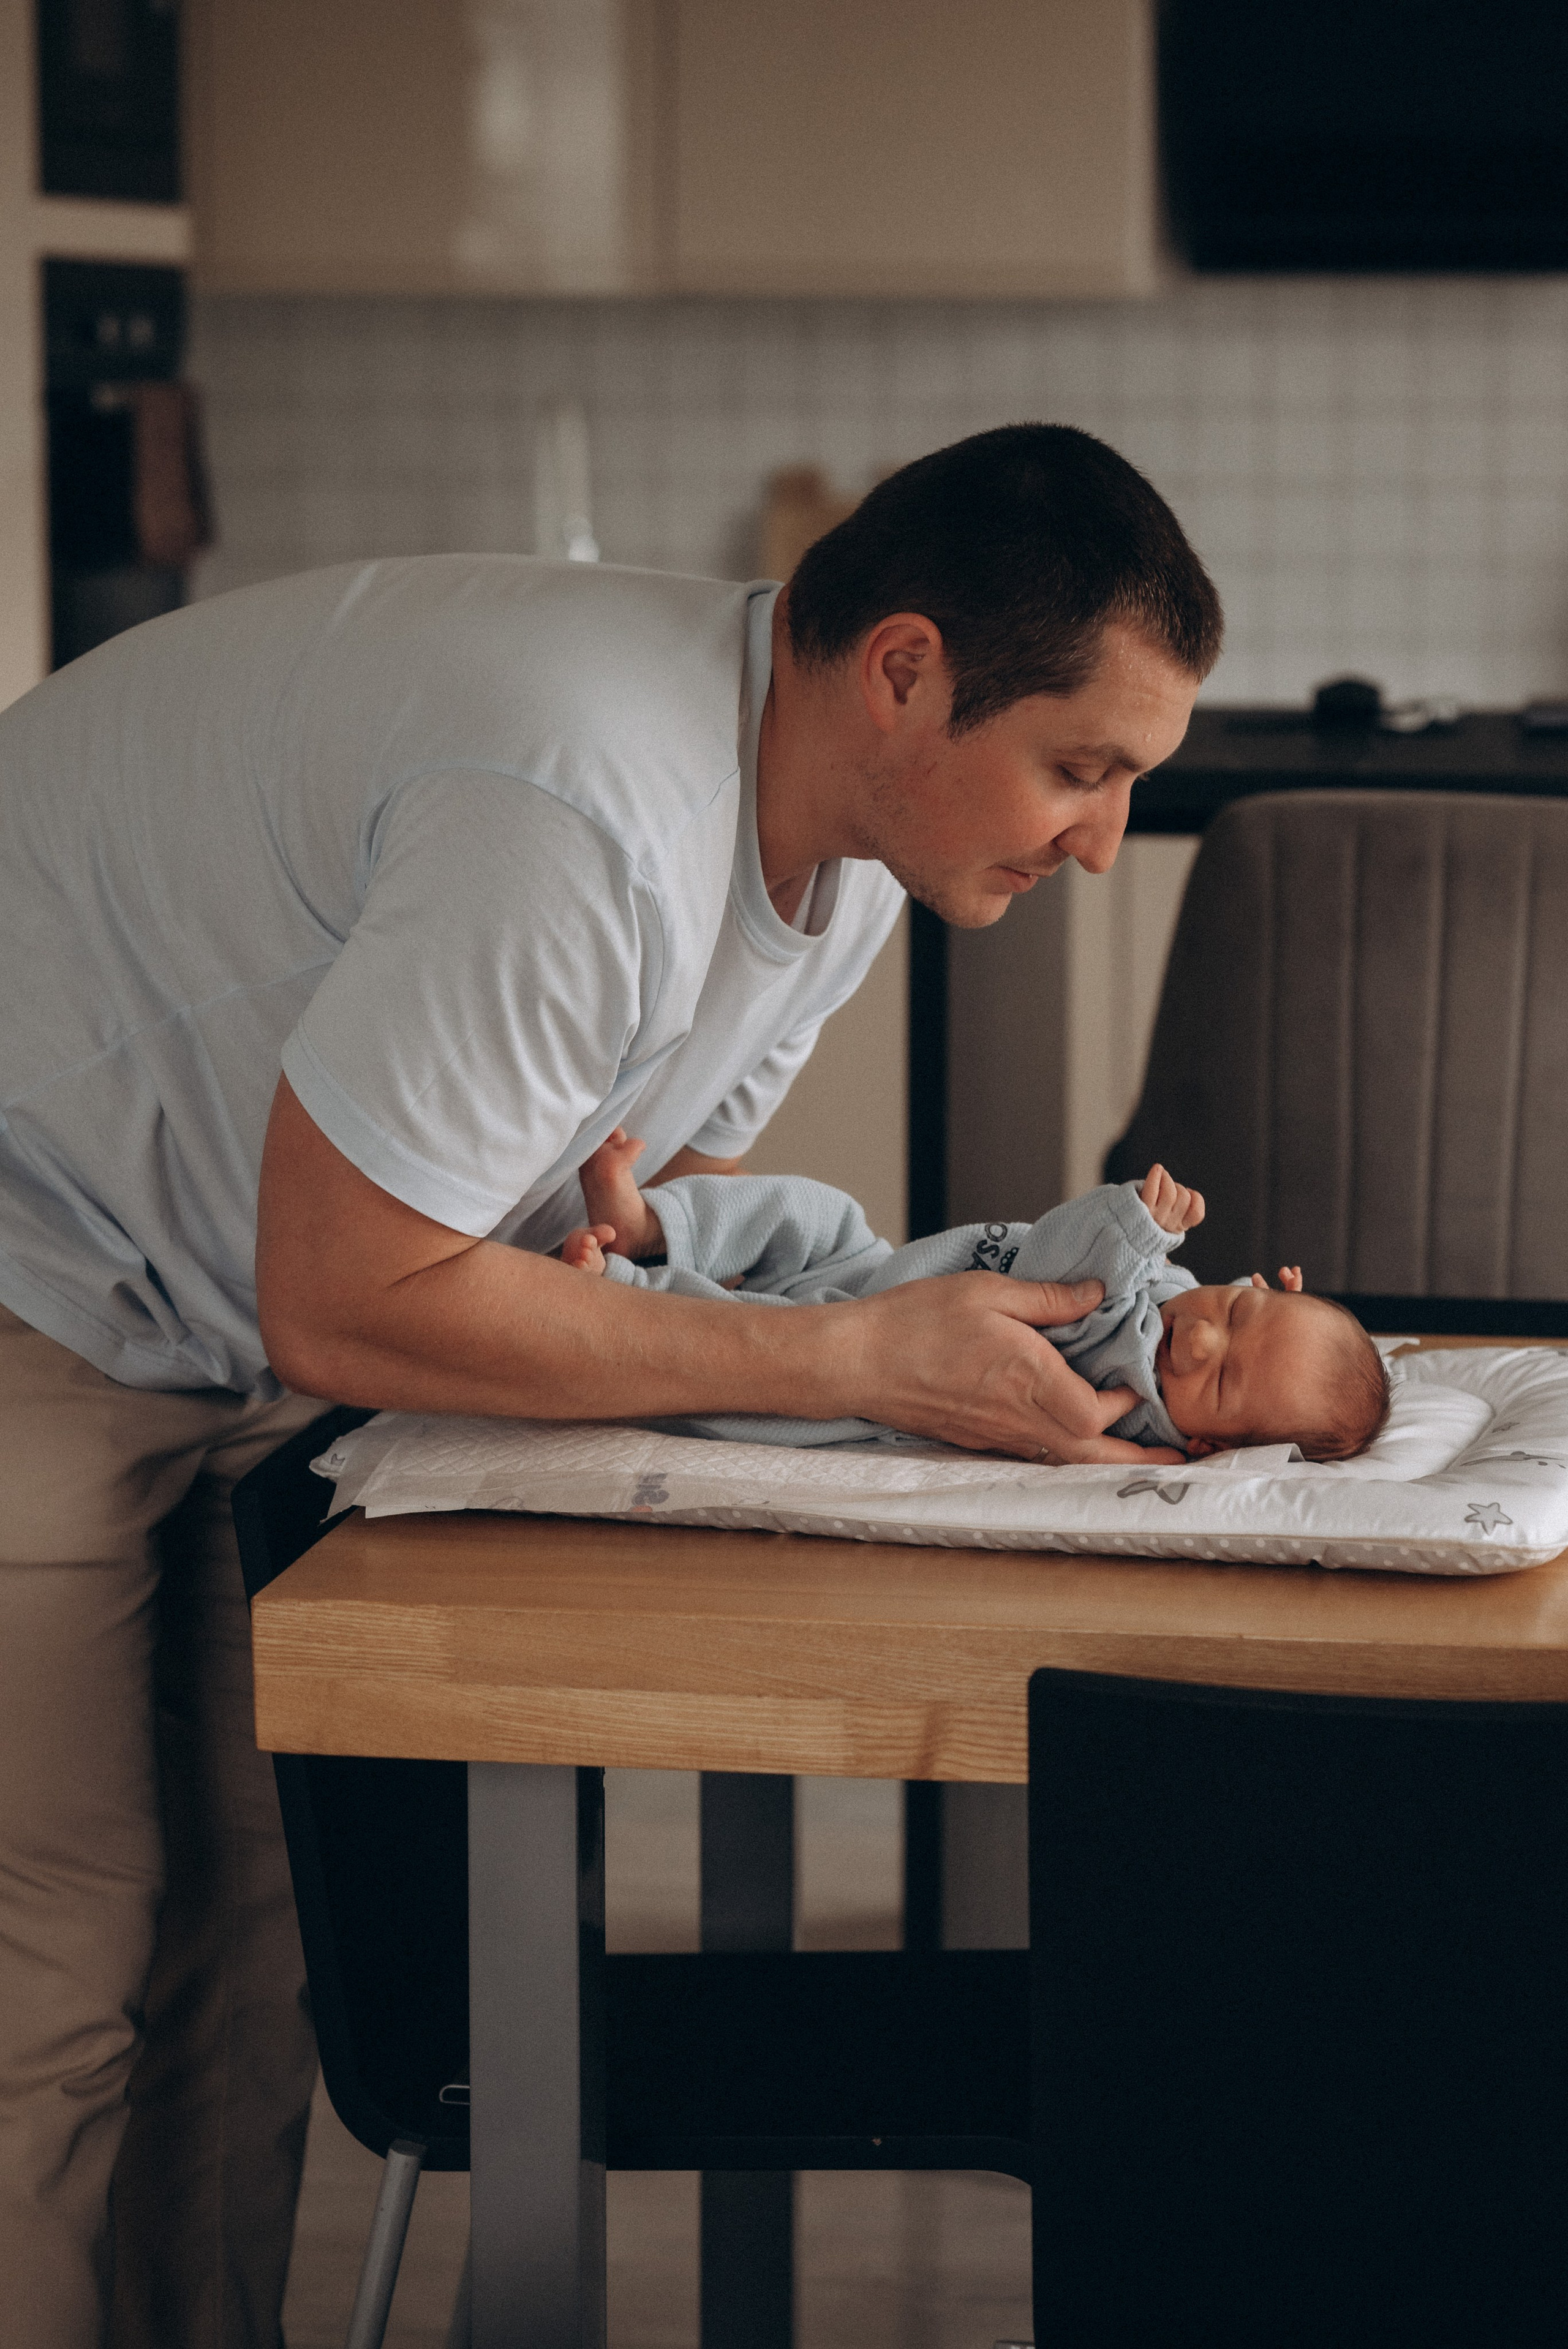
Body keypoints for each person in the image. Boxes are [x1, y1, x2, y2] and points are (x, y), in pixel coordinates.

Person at [0, 421, 1220, 2346]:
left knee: (243, 1954)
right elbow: (350, 1294)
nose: (1101, 837)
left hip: (217, 1283)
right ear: (905, 669)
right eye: (1082, 766)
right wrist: (849, 1360)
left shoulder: (847, 853)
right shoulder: (584, 814)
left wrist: (863, 1331)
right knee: (50, 1978)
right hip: (33, 1265)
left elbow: (645, 1219)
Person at [562, 1137, 1392, 1461]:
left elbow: (1059, 1273)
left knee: (753, 1368)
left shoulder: (1130, 1393)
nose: (1202, 1342)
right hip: (883, 1272)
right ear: (1260, 1283)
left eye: (1222, 1383)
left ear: (1211, 1442)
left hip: (870, 1369)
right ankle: (653, 1224)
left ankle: (631, 1291)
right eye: (1238, 1317)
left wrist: (1129, 1229)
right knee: (814, 1212)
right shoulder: (1180, 1291)